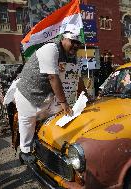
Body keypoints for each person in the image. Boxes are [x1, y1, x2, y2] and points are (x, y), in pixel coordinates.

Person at [13, 31, 82, 164]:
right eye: (72, 41)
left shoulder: (69, 56)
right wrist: (64, 102)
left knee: (52, 120)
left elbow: (75, 77)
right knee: (28, 122)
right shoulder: (51, 49)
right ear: (63, 39)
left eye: (78, 43)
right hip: (28, 93)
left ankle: (45, 146)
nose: (75, 45)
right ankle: (24, 152)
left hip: (47, 96)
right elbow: (52, 77)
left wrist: (83, 93)